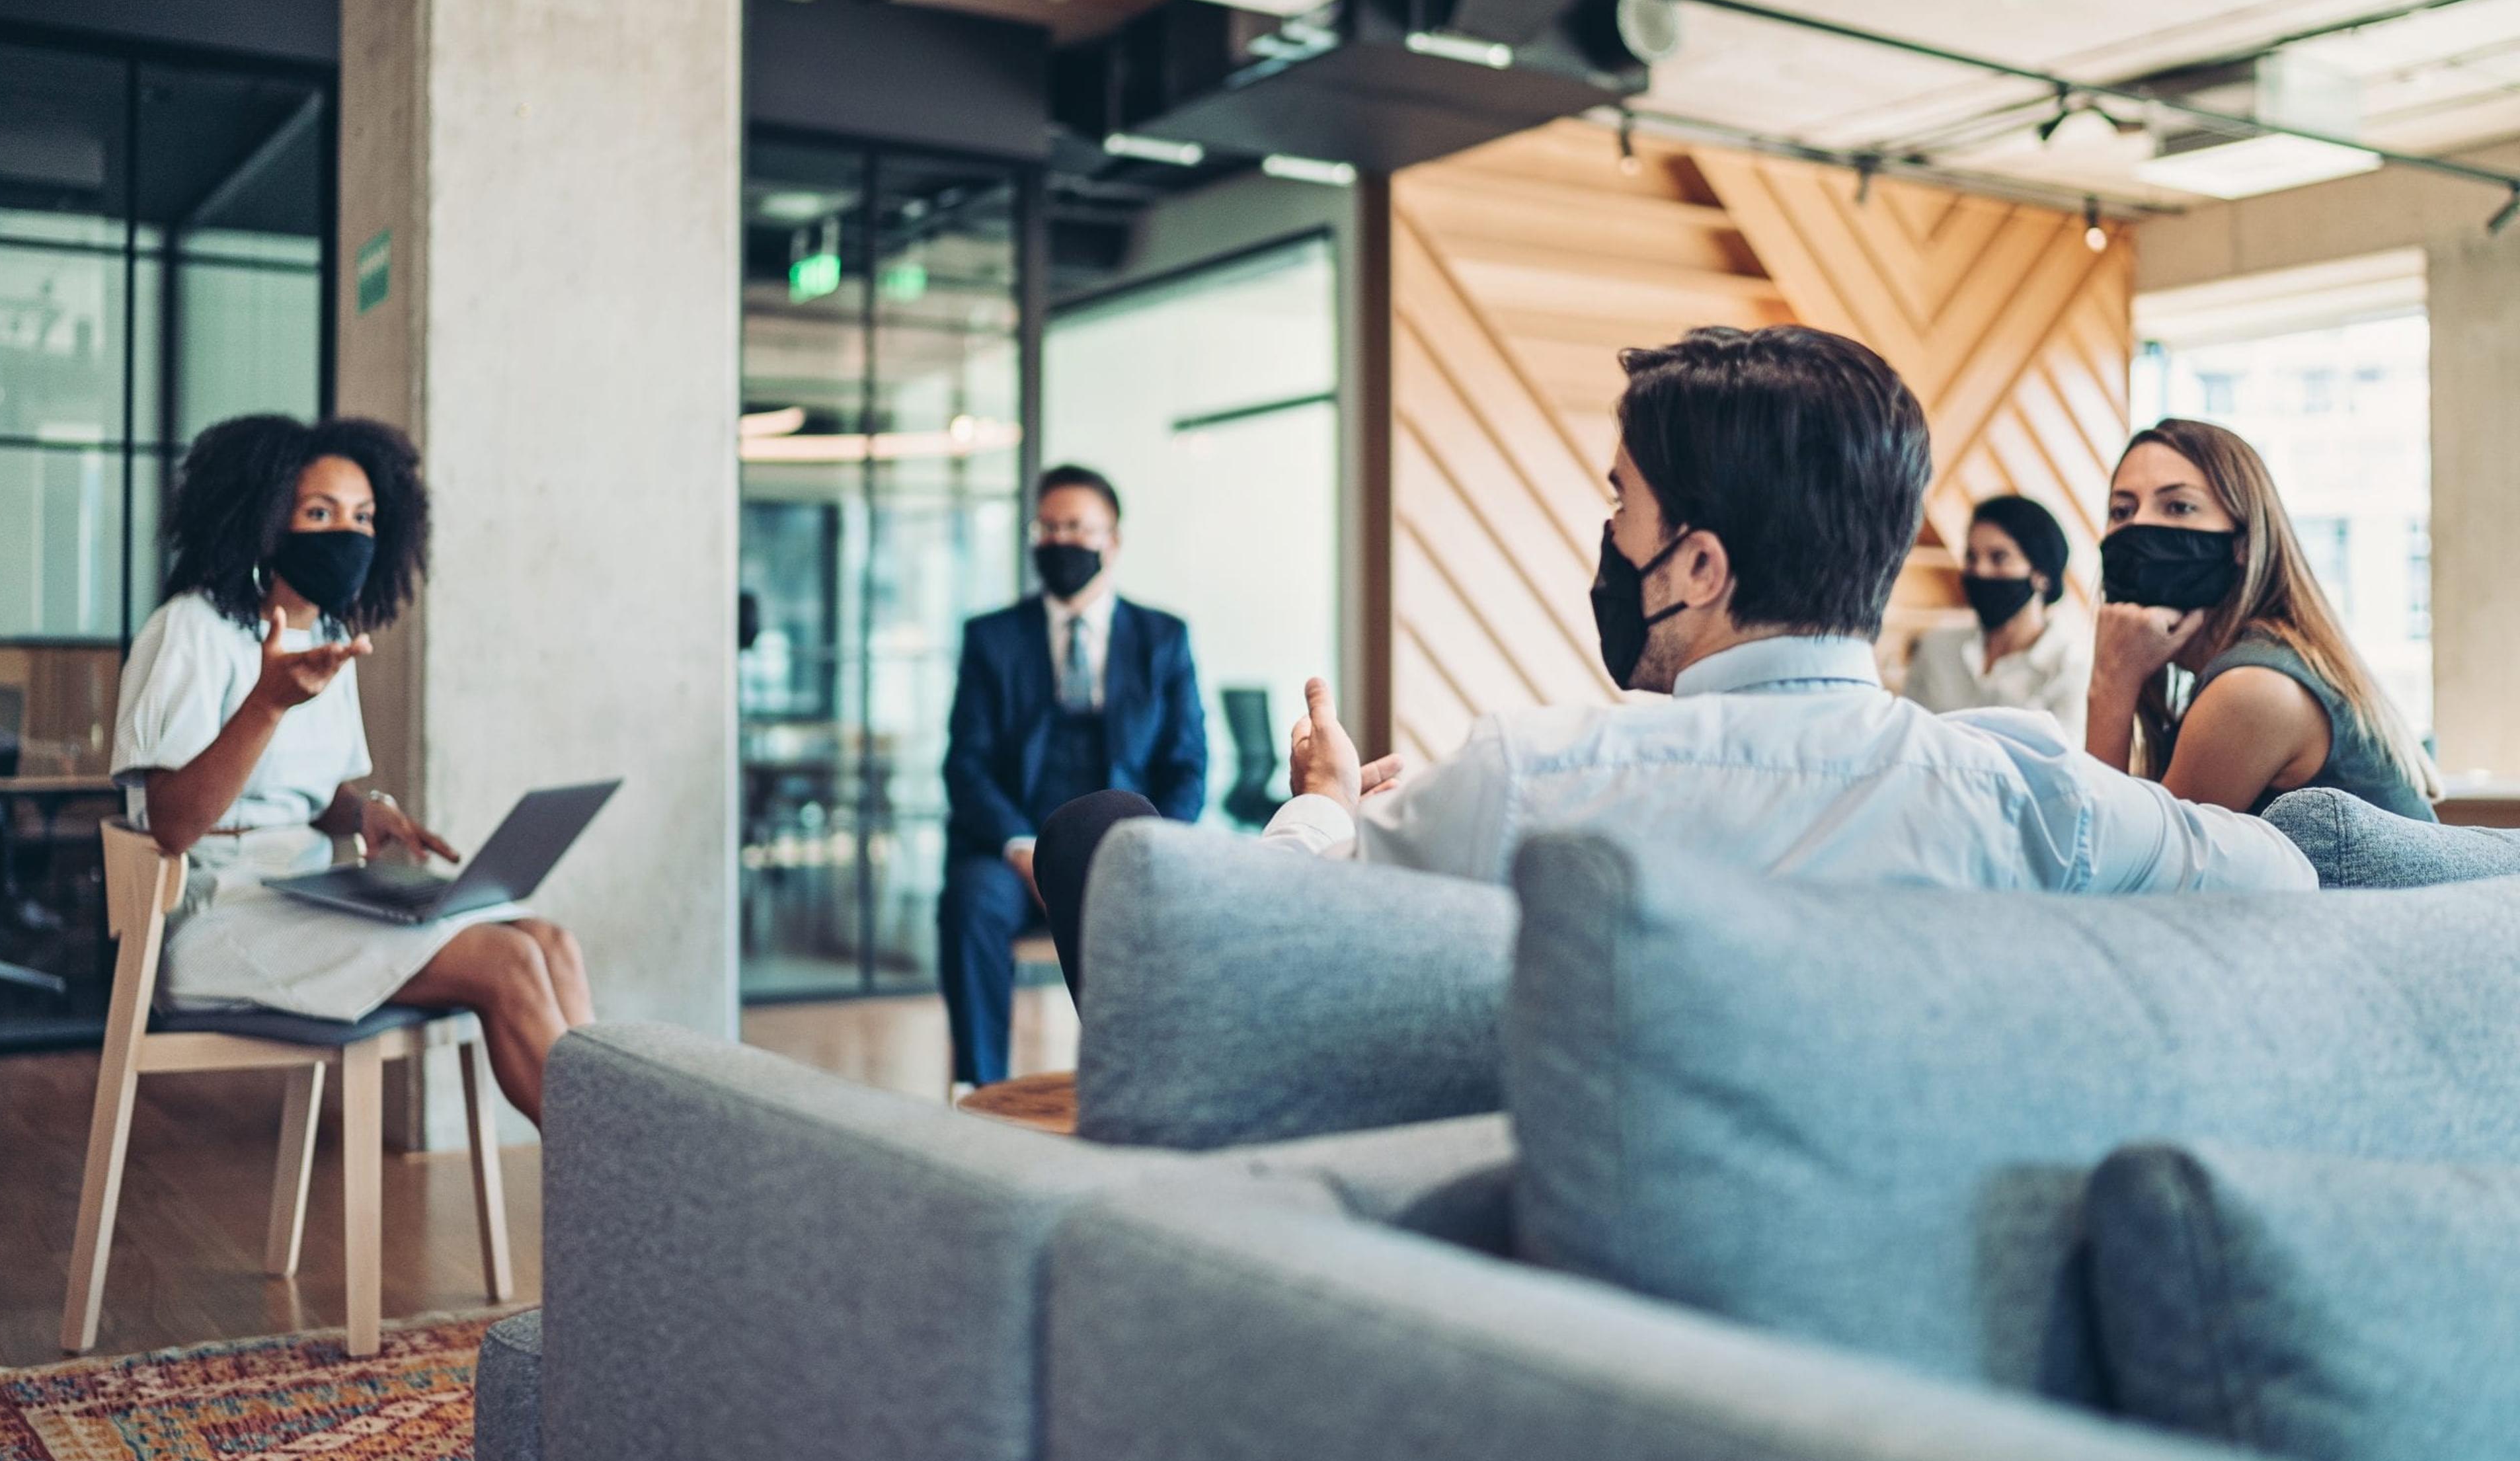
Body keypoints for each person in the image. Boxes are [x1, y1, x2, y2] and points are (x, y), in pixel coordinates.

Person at [1031, 327, 2310, 982]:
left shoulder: (1532, 777)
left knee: (1099, 827)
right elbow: (2283, 882)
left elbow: (1240, 958)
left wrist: (1320, 812)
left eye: (1619, 504)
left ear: (1697, 566)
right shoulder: (2024, 791)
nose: (1606, 535)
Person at [111, 414, 590, 1122]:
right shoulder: (190, 630)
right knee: (507, 963)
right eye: (319, 512)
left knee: (549, 940)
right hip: (215, 919)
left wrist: (363, 812)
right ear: (265, 519)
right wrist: (265, 706)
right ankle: (624, 1190)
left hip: (310, 894)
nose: (350, 534)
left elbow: (311, 795)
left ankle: (624, 1162)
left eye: (364, 516)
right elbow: (173, 825)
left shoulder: (330, 634)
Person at [939, 464, 1206, 1086]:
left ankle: (1148, 1087)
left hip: (1126, 846)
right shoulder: (991, 638)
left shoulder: (1164, 639)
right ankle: (980, 1090)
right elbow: (966, 764)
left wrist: (1150, 849)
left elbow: (1187, 765)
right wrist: (1021, 847)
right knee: (970, 902)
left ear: (1112, 540)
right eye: (1049, 527)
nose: (1062, 541)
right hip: (1014, 853)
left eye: (1078, 527)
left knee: (1174, 904)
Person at [2087, 418, 2438, 822]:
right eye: (2121, 510)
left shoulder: (2252, 688)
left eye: (2179, 507)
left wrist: (2111, 683)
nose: (2140, 526)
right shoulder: (2246, 668)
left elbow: (2113, 861)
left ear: (2243, 543)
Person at [1903, 494, 2091, 737]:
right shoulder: (1935, 649)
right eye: (1971, 557)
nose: (1980, 570)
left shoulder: (2069, 673)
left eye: (1999, 558)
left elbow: (2063, 769)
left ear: (2042, 575)